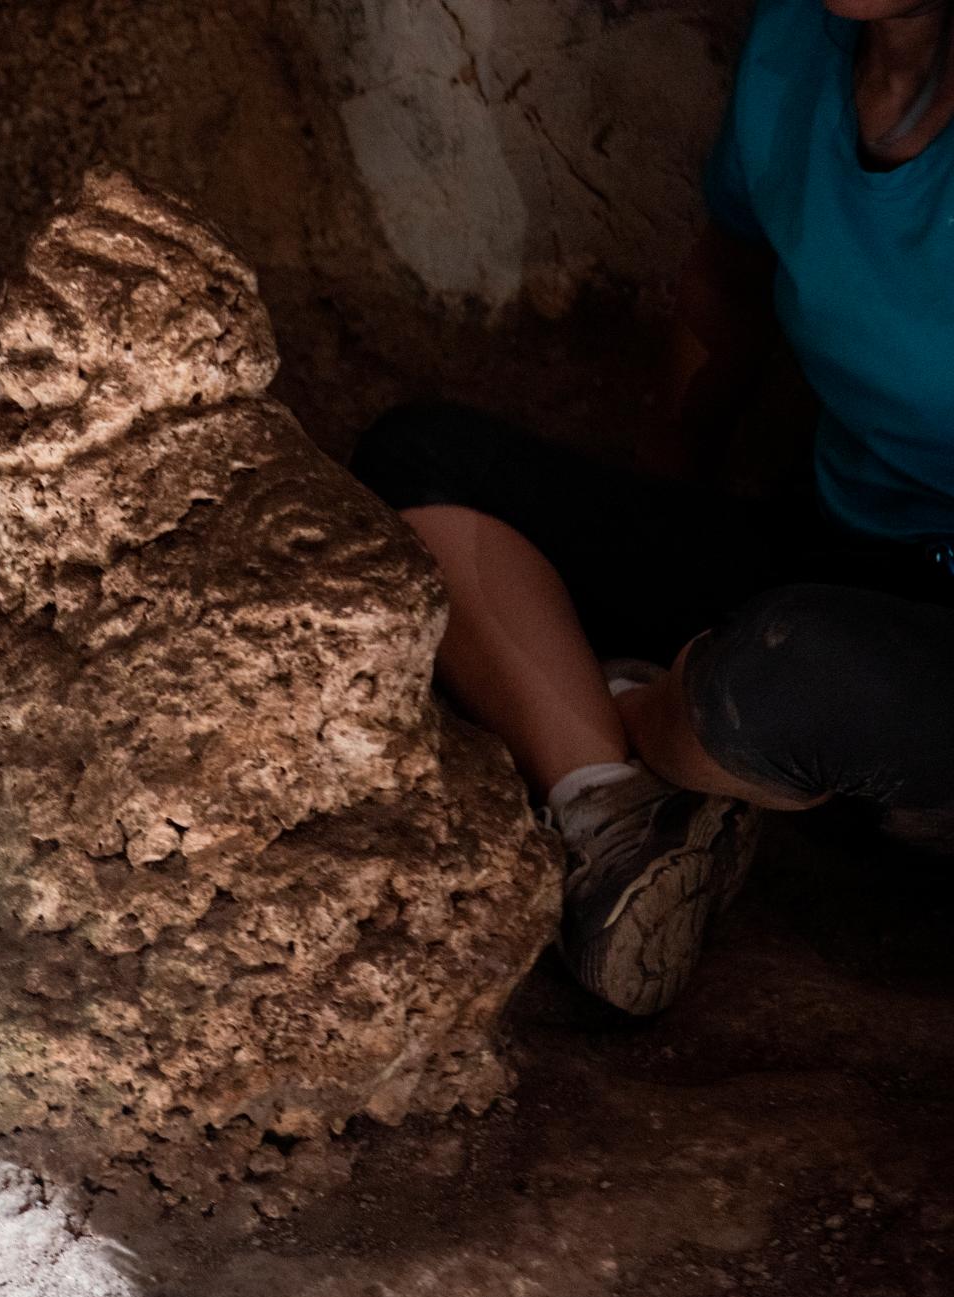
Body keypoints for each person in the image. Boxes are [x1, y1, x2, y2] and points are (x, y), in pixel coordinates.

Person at [351, 0, 954, 1016]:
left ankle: (660, 724)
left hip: (909, 638)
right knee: (417, 460)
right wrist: (662, 519)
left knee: (784, 671)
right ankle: (618, 814)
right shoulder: (797, 44)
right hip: (838, 543)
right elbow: (727, 279)